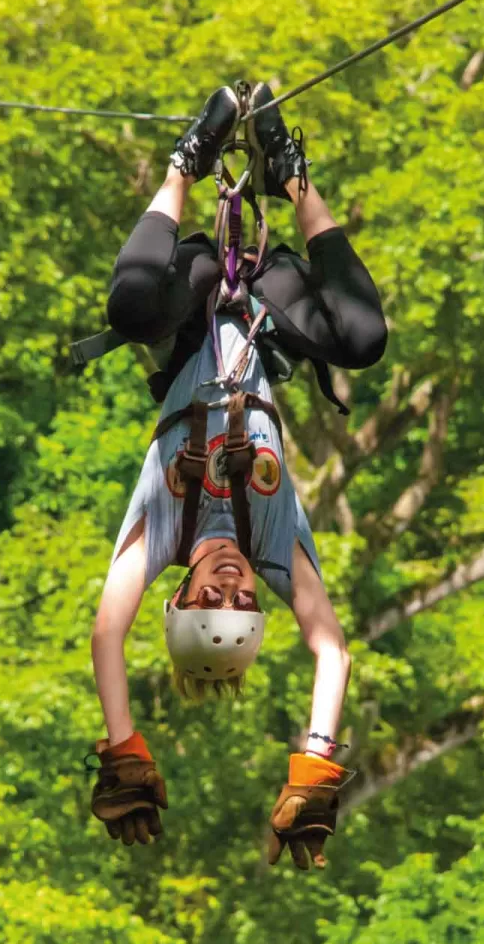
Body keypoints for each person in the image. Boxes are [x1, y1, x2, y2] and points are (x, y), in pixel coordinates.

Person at [86, 84, 388, 870]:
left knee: (128, 306)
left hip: (187, 309)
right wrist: (317, 767)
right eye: (245, 601)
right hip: (262, 301)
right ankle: (291, 175)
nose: (231, 584)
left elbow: (106, 633)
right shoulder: (278, 546)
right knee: (360, 338)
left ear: (178, 595)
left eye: (210, 598)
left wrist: (124, 749)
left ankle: (186, 165)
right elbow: (333, 652)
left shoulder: (157, 534)